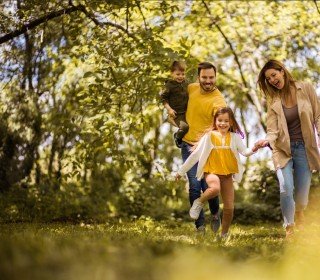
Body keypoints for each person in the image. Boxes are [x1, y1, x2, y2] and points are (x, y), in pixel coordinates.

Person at [255, 59, 320, 238]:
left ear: (282, 71)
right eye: (268, 79)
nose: (272, 80)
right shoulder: (274, 101)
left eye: (274, 75)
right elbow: (272, 129)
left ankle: (300, 212)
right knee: (285, 187)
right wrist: (265, 140)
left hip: (304, 149)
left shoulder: (305, 88)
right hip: (282, 150)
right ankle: (289, 226)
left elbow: (318, 115)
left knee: (302, 194)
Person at [176, 107, 258, 238]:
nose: (223, 123)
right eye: (220, 120)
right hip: (212, 171)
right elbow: (195, 155)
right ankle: (199, 202)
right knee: (214, 189)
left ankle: (224, 234)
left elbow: (245, 152)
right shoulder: (209, 136)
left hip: (227, 175)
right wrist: (181, 171)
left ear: (231, 122)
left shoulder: (235, 137)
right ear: (215, 122)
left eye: (226, 121)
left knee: (229, 208)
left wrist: (255, 147)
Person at [180, 61, 227, 233]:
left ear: (216, 77)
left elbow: (222, 121)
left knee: (208, 187)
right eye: (204, 77)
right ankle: (200, 226)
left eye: (211, 77)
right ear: (198, 77)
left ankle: (215, 214)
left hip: (207, 148)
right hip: (187, 144)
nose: (208, 81)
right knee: (194, 185)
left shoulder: (218, 100)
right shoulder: (191, 88)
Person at [160, 61, 189, 148]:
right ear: (172, 74)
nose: (181, 76)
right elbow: (163, 99)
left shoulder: (185, 83)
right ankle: (177, 136)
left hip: (187, 111)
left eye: (183, 74)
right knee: (185, 127)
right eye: (178, 74)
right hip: (177, 113)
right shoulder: (169, 85)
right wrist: (169, 109)